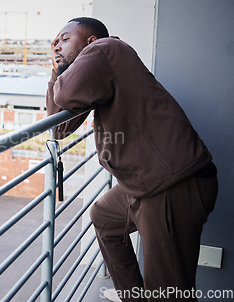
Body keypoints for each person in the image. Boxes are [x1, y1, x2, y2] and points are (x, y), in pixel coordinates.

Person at [46, 17, 218, 302]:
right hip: (147, 183)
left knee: (168, 293)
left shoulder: (105, 49)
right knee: (104, 217)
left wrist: (61, 73)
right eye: (55, 42)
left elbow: (64, 93)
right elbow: (60, 126)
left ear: (90, 40)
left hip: (174, 185)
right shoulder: (96, 71)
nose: (57, 46)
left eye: (64, 39)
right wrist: (58, 71)